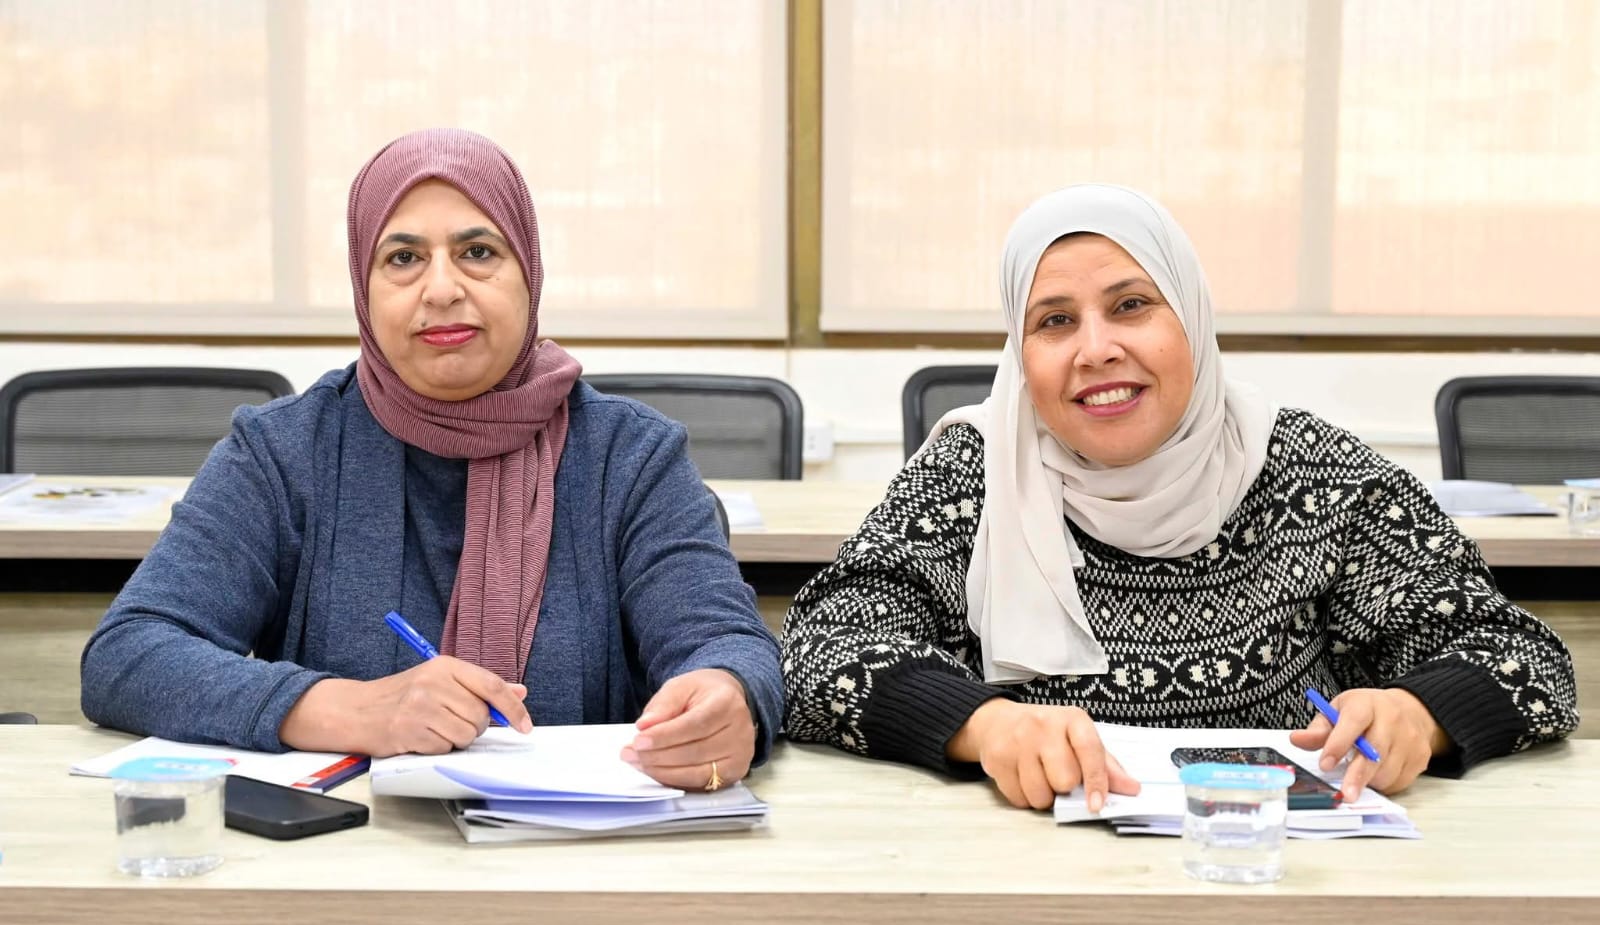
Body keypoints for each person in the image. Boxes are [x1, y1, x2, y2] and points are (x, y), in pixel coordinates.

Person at [781, 184, 1576, 810]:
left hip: (1277, 871)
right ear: (1020, 355)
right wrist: (983, 725)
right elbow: (821, 648)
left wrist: (1418, 714)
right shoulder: (974, 470)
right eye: (1055, 321)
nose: (1097, 349)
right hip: (1035, 880)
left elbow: (1522, 656)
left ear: (1191, 316)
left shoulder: (1314, 472)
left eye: (1131, 305)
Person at [82, 128, 779, 792]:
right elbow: (129, 653)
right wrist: (346, 709)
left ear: (529, 273)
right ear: (364, 288)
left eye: (477, 251)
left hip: (590, 851)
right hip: (342, 847)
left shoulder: (631, 454)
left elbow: (727, 643)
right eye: (403, 258)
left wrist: (729, 695)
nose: (441, 288)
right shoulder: (284, 451)